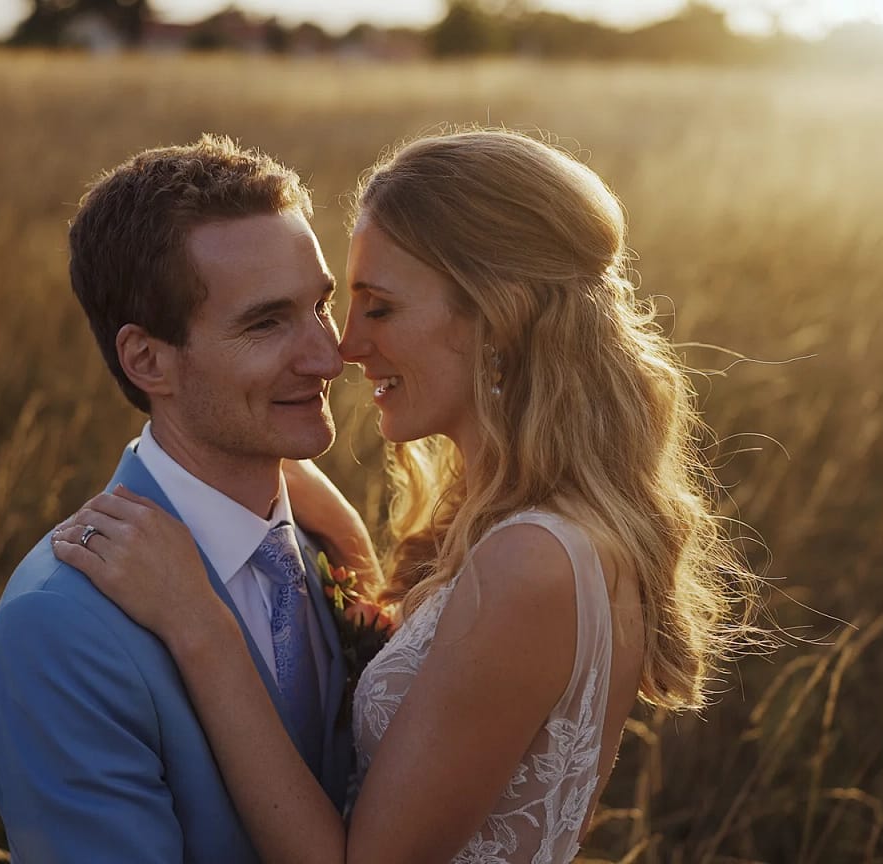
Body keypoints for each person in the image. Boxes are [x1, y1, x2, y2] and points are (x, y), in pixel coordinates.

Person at [52, 129, 756, 863]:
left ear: (497, 317)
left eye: (379, 308)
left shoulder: (531, 564)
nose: (344, 347)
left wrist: (201, 626)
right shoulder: (519, 522)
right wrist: (350, 544)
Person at [0, 135, 374, 863]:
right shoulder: (58, 631)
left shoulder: (322, 544)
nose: (327, 355)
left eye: (322, 305)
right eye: (265, 322)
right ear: (147, 359)